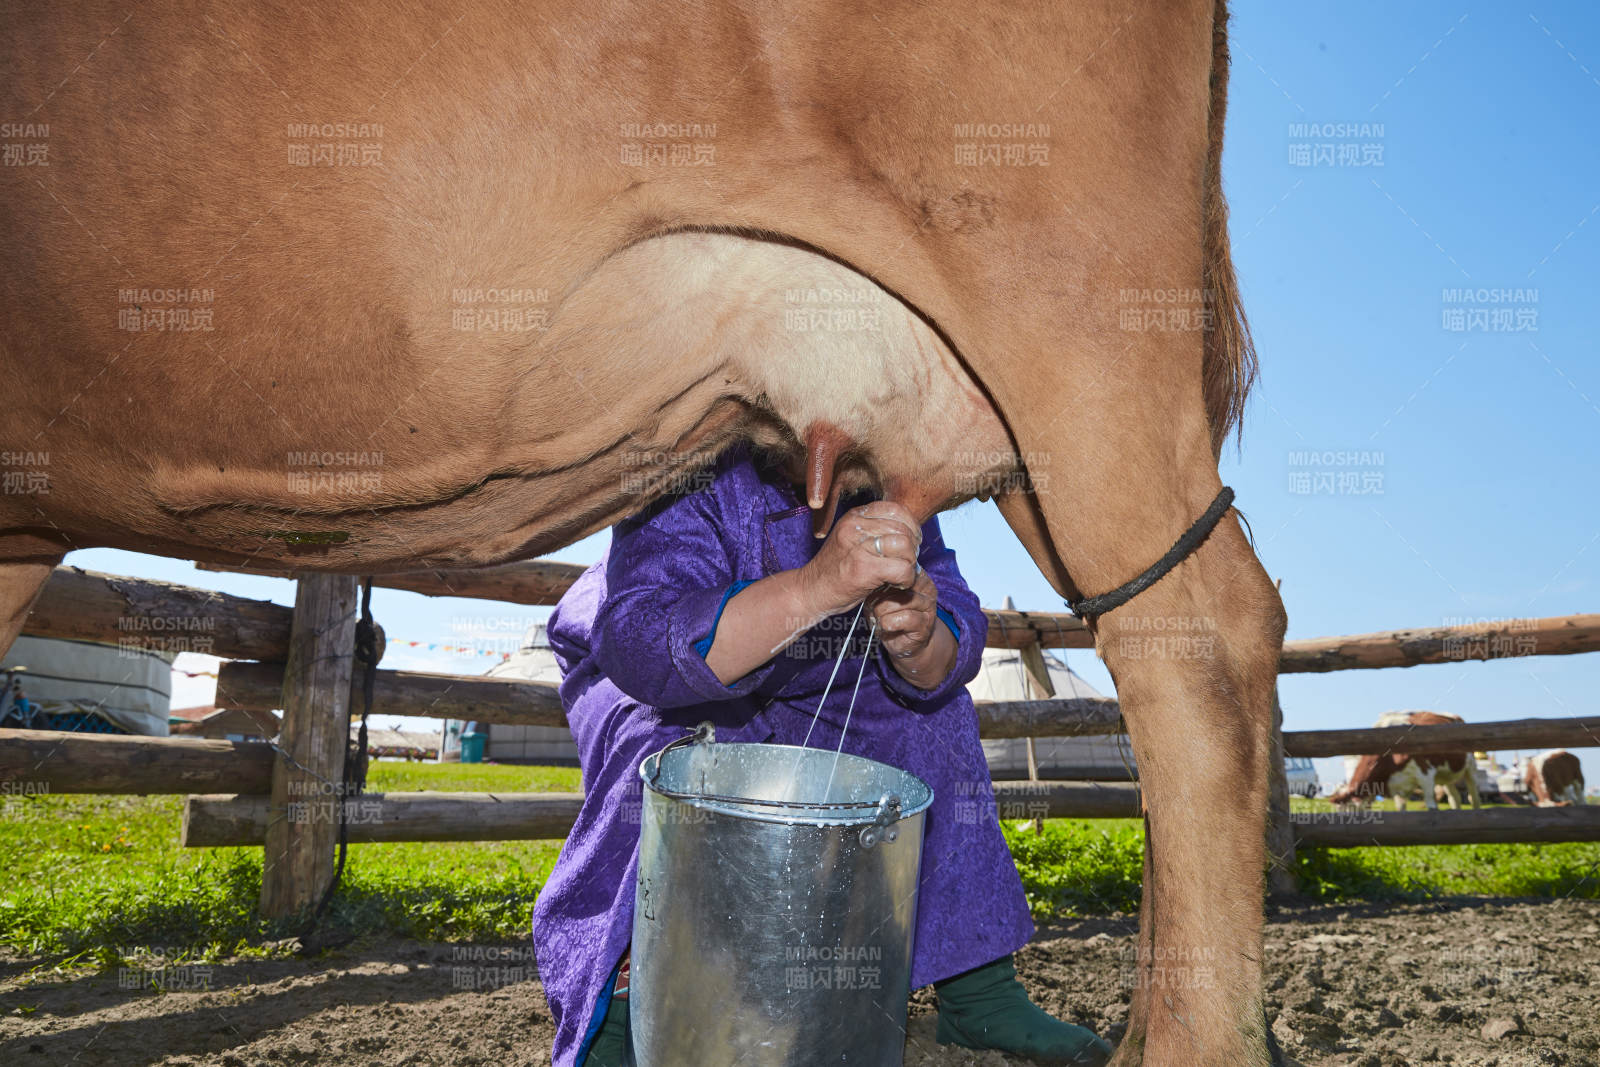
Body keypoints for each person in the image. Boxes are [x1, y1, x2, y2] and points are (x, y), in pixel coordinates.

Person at [532, 443, 1111, 1067]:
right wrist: (818, 585)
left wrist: (920, 634)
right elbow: (646, 640)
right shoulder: (689, 457)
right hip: (665, 661)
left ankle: (980, 997)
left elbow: (951, 623)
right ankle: (620, 1015)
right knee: (674, 756)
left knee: (931, 719)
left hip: (822, 669)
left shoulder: (890, 468)